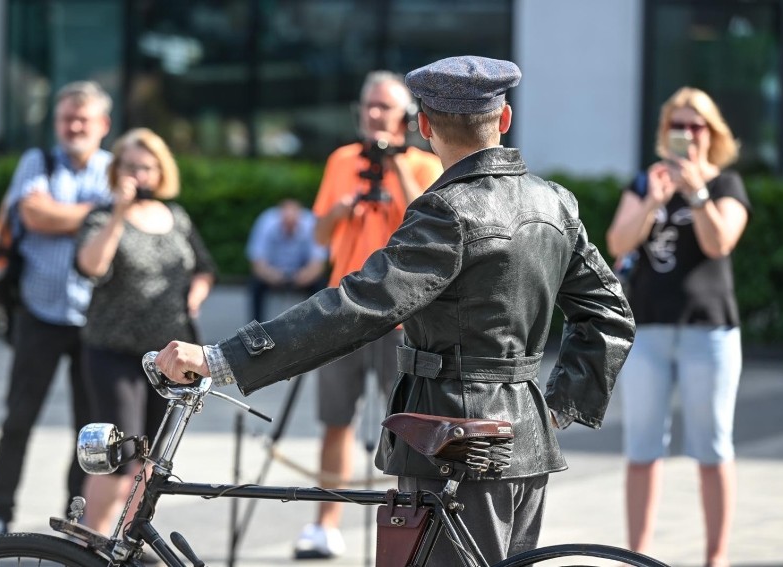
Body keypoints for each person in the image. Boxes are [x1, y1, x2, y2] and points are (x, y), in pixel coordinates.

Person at [155, 55, 636, 566]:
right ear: (505, 118)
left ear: (423, 126)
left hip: (453, 437)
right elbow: (610, 313)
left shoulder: (447, 208)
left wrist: (224, 357)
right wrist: (557, 407)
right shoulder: (555, 202)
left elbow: (360, 303)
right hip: (524, 439)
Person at [289, 70, 442, 559]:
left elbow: (428, 219)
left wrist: (393, 163)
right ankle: (325, 524)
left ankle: (412, 526)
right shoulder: (342, 160)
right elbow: (318, 235)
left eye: (384, 107)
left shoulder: (423, 162)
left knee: (406, 424)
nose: (374, 116)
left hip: (402, 316)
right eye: (368, 107)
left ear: (405, 117)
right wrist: (343, 207)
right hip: (345, 312)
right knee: (335, 421)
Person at [606, 87, 750, 567]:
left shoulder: (726, 185)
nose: (687, 134)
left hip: (707, 332)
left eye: (697, 125)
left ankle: (716, 557)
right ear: (664, 131)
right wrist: (654, 201)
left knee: (711, 447)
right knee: (642, 446)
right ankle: (638, 554)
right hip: (648, 328)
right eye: (678, 125)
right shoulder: (646, 182)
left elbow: (719, 243)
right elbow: (618, 241)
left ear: (712, 133)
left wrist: (697, 192)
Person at [0, 81, 114, 538]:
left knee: (88, 431)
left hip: (95, 321)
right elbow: (33, 216)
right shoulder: (37, 161)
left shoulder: (116, 168)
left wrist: (66, 213)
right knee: (18, 419)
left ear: (103, 126)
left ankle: (74, 521)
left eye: (83, 119)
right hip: (39, 314)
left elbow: (115, 224)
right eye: (66, 118)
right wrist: (98, 214)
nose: (73, 126)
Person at [75, 127, 217, 535]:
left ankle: (130, 537)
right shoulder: (102, 216)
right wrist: (118, 213)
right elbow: (92, 267)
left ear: (161, 171)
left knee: (155, 457)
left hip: (169, 357)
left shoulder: (176, 216)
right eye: (131, 167)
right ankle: (94, 541)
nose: (139, 175)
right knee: (118, 453)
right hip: (113, 351)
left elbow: (204, 267)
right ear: (117, 170)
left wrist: (196, 292)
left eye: (148, 167)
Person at [246, 198, 326, 323]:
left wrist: (305, 276)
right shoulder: (266, 222)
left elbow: (318, 263)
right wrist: (271, 275)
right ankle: (255, 327)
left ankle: (318, 324)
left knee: (320, 285)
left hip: (302, 272)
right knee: (255, 285)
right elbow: (257, 262)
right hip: (273, 272)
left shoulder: (311, 223)